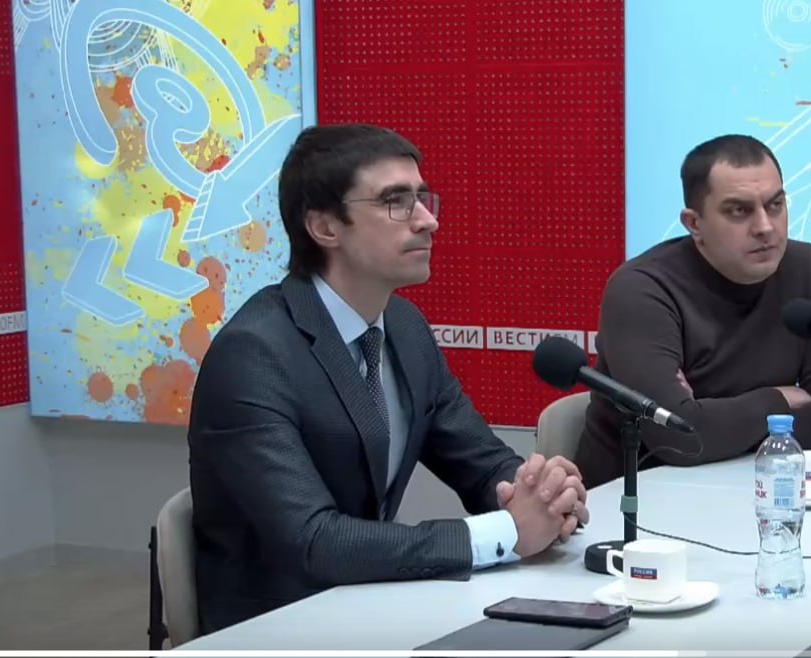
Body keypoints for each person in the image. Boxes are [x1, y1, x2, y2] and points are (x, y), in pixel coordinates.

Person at [188, 123, 590, 634]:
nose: (427, 221)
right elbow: (314, 541)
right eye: (396, 202)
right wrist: (504, 533)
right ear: (325, 227)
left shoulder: (403, 326)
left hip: (375, 601)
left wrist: (539, 494)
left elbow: (478, 460)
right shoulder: (253, 355)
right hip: (279, 624)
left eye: (422, 198)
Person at [575, 134, 811, 488]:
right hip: (636, 501)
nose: (765, 227)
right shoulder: (642, 289)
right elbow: (679, 436)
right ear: (694, 224)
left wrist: (716, 420)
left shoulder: (805, 268)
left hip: (755, 488)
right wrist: (779, 400)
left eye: (775, 205)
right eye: (739, 211)